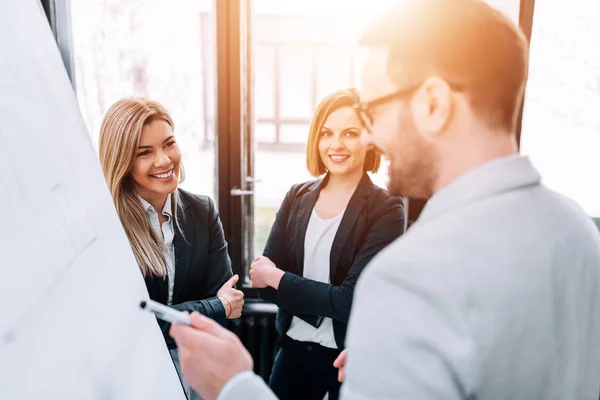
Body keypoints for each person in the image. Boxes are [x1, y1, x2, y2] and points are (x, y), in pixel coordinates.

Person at [169, 0, 600, 399]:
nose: (370, 135)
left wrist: (234, 386)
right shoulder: (579, 233)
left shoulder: (407, 279)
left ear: (434, 103)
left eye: (374, 111)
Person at [248, 89, 405, 400]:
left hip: (348, 358)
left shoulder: (386, 209)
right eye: (327, 133)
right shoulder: (297, 196)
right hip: (292, 350)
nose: (336, 144)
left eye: (350, 133)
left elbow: (349, 301)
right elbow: (261, 285)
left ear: (369, 139)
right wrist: (322, 297)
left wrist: (280, 279)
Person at [98, 98, 244, 399]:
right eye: (144, 152)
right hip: (133, 381)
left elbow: (229, 306)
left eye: (169, 144)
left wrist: (216, 308)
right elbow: (132, 325)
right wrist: (214, 306)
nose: (164, 160)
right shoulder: (107, 225)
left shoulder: (202, 211)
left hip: (195, 376)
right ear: (121, 160)